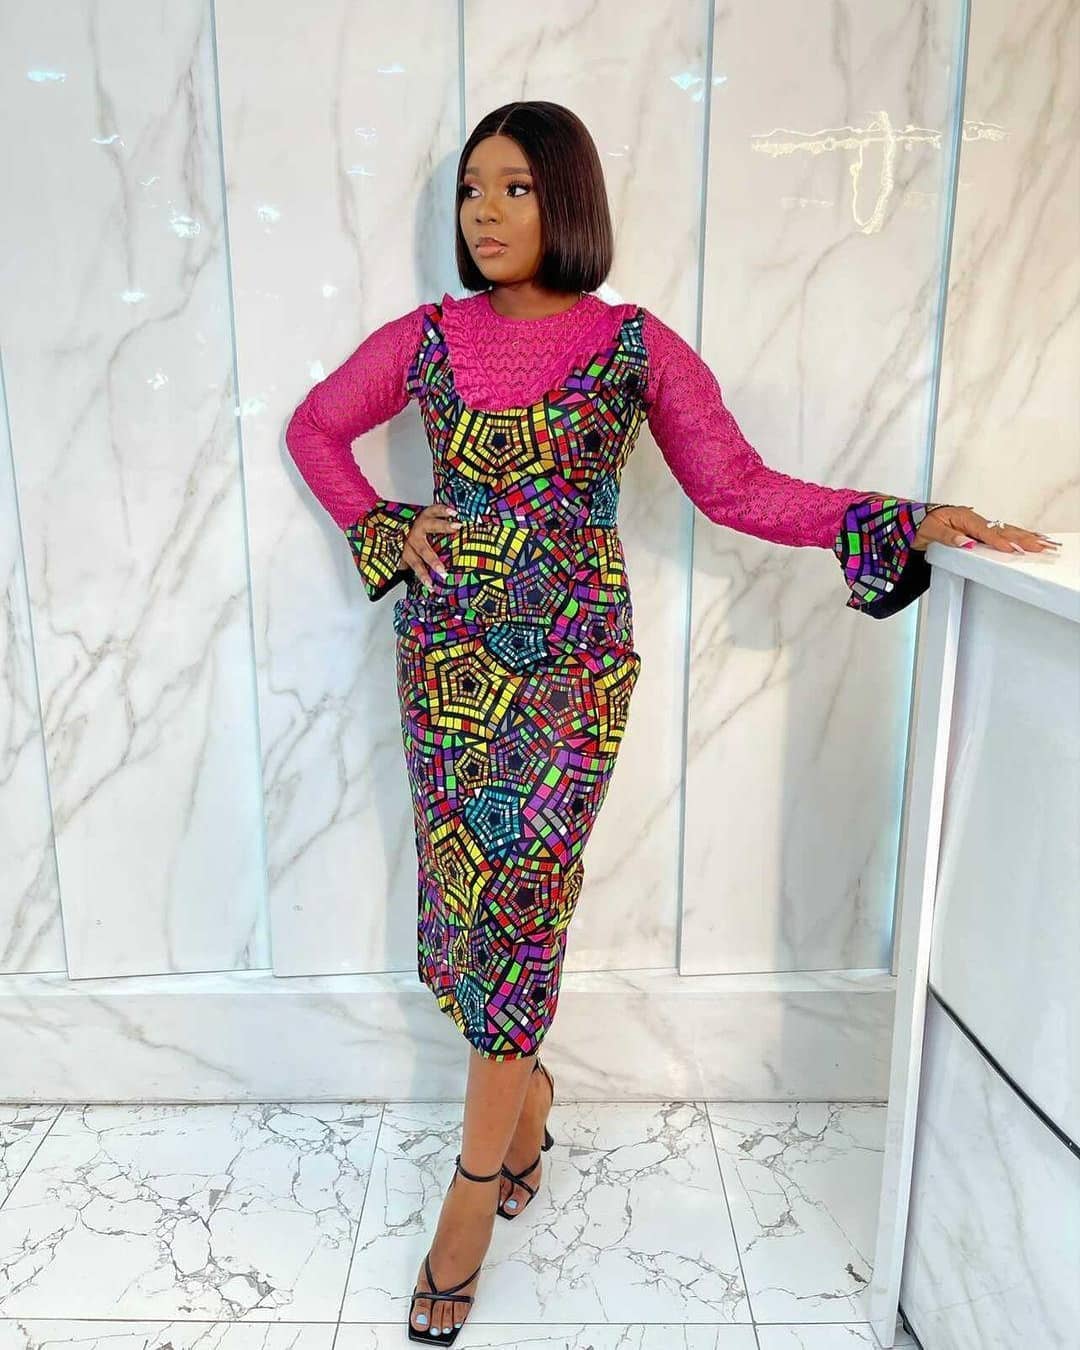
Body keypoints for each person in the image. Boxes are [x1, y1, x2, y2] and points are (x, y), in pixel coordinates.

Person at [284, 101, 1058, 1344]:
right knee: (463, 908)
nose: (485, 212)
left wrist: (898, 516)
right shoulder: (425, 339)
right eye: (472, 189)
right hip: (445, 667)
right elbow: (315, 427)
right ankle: (528, 1093)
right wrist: (381, 523)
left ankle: (471, 1189)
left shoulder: (633, 346)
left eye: (516, 187)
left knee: (523, 901)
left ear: (569, 200)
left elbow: (737, 486)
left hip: (575, 674)